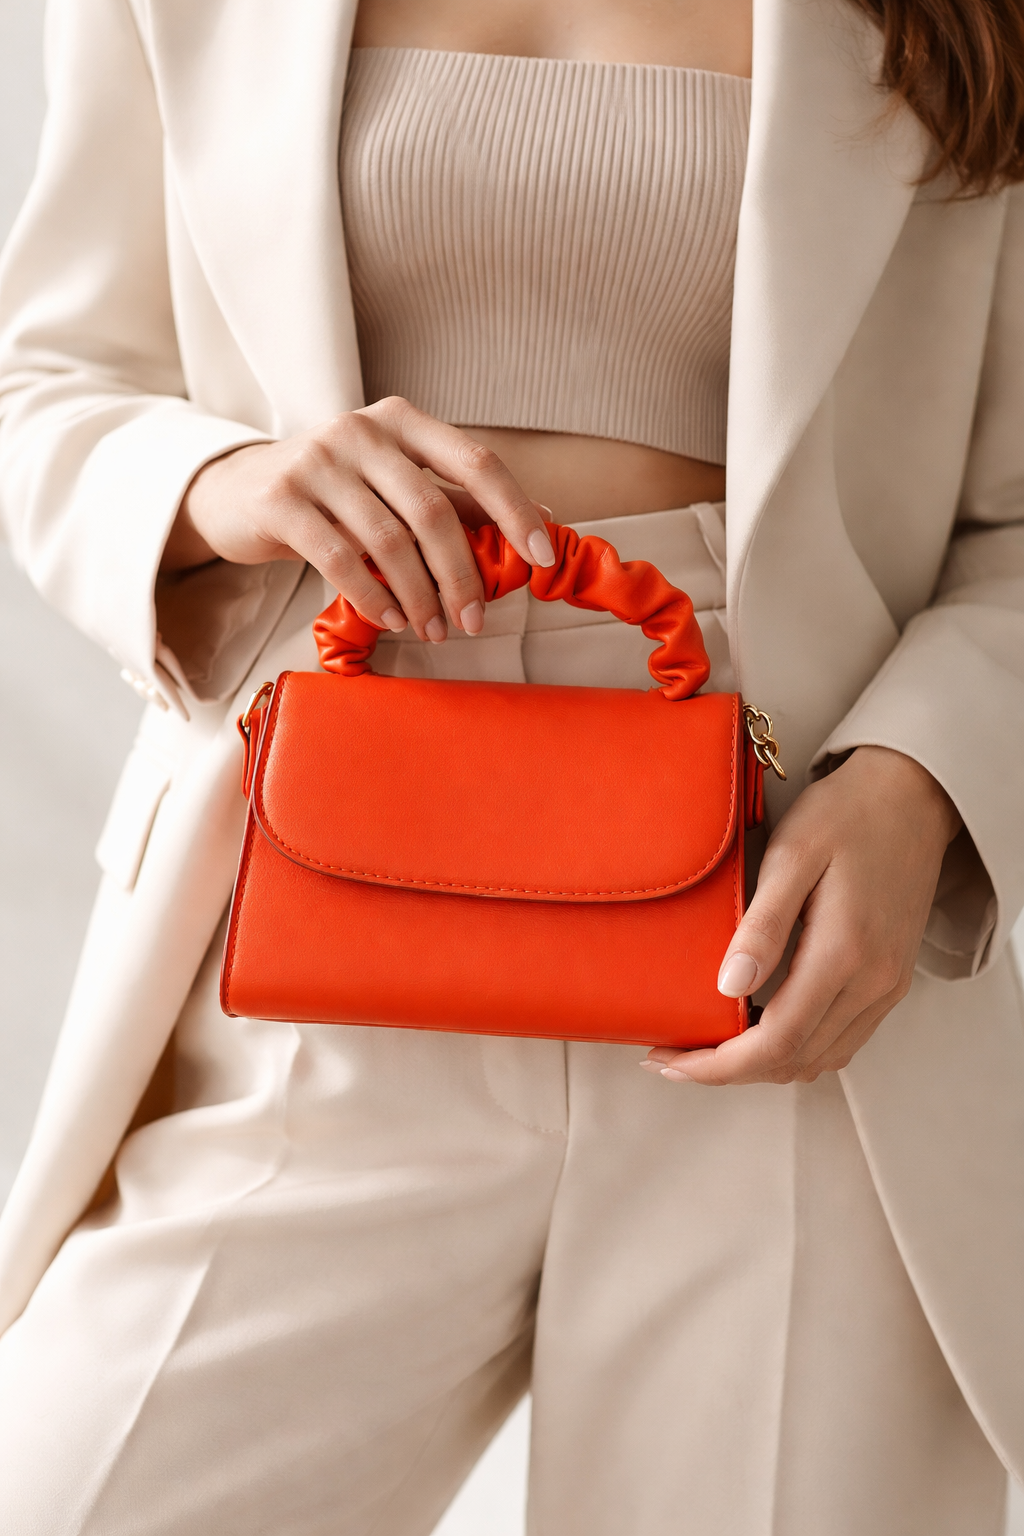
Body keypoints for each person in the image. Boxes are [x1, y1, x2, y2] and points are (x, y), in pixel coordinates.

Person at [0, 0, 1022, 1529]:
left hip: (785, 935)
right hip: (323, 897)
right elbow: (50, 381)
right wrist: (221, 482)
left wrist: (922, 782)